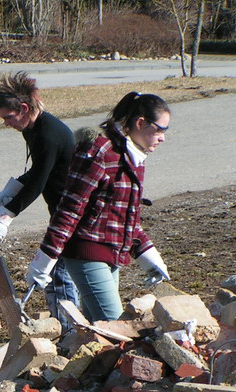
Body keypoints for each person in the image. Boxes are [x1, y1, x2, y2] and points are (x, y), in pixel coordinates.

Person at [26, 92, 172, 321]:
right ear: (140, 123)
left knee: (98, 333)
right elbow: (69, 209)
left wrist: (149, 256)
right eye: (161, 129)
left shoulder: (133, 158)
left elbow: (128, 218)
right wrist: (43, 261)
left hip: (110, 253)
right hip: (86, 251)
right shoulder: (99, 151)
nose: (163, 137)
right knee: (115, 329)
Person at [0, 71, 79, 329]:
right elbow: (38, 171)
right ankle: (73, 330)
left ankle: (71, 333)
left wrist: (4, 216)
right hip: (63, 212)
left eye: (9, 117)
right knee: (64, 273)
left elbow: (39, 183)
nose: (6, 123)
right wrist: (13, 188)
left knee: (58, 276)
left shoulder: (48, 134)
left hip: (74, 215)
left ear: (24, 108)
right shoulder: (34, 129)